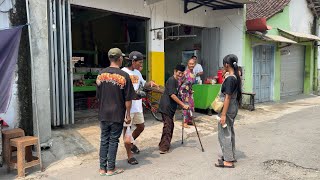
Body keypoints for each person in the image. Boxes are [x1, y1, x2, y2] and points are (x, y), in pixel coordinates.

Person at [96, 48, 135, 176]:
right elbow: (128, 99)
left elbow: (99, 96)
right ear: (119, 59)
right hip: (117, 113)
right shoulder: (124, 76)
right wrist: (128, 115)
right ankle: (111, 169)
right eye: (122, 57)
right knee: (113, 140)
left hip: (103, 113)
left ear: (109, 59)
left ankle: (102, 169)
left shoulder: (101, 75)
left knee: (104, 140)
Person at [122, 51, 157, 165]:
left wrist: (150, 83)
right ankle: (129, 156)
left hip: (137, 106)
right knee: (127, 132)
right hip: (127, 107)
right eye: (140, 62)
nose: (141, 64)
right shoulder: (123, 72)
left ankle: (131, 143)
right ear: (133, 61)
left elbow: (144, 84)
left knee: (141, 127)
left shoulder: (137, 72)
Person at [215, 54, 242, 168]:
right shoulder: (235, 76)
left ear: (226, 65)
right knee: (229, 132)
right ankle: (230, 156)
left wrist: (223, 115)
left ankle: (228, 161)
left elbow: (227, 97)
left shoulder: (231, 78)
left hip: (228, 108)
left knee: (224, 133)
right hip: (233, 107)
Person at [158, 64, 189, 154]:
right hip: (166, 107)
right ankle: (163, 148)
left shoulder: (176, 81)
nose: (180, 75)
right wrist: (183, 105)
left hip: (170, 107)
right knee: (168, 127)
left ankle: (163, 144)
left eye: (182, 73)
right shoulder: (172, 80)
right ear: (175, 71)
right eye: (179, 73)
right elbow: (172, 95)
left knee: (170, 125)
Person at [179, 58, 196, 128]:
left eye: (193, 64)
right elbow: (179, 82)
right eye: (190, 64)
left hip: (189, 92)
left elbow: (190, 84)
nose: (191, 65)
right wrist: (183, 92)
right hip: (184, 92)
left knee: (191, 105)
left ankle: (189, 120)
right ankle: (184, 122)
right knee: (185, 106)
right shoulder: (185, 73)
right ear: (188, 64)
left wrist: (191, 90)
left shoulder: (193, 73)